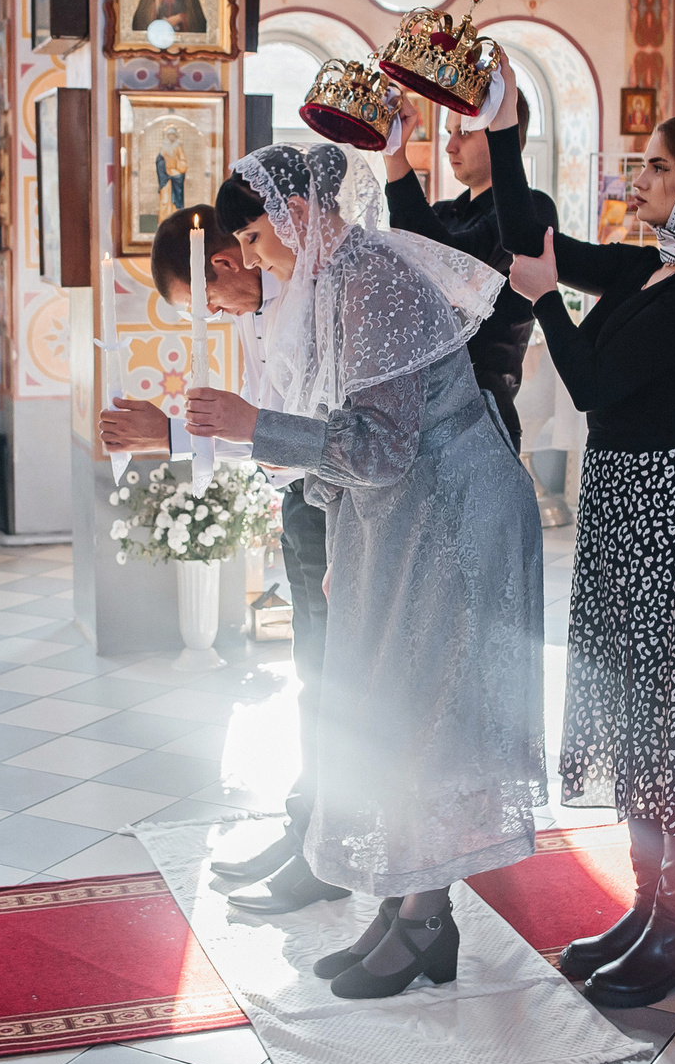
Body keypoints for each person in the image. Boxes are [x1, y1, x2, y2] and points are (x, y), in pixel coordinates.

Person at [186, 144, 544, 999]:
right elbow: (355, 437)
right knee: (393, 709)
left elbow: (377, 445)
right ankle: (408, 907)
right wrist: (344, 552)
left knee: (432, 716)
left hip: (454, 515)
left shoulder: (372, 276)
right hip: (403, 515)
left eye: (255, 230)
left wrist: (250, 422)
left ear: (299, 213)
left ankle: (425, 918)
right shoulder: (332, 280)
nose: (254, 253)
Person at [495, 108, 675, 1007]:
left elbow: (597, 384)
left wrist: (540, 301)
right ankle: (645, 908)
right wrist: (505, 131)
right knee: (633, 715)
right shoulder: (651, 263)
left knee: (671, 721)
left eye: (658, 168)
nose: (636, 179)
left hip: (666, 513)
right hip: (618, 505)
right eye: (639, 164)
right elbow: (537, 236)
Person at [98, 208, 343, 915]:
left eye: (205, 301)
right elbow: (260, 432)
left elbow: (289, 428)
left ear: (228, 264)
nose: (212, 314)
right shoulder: (248, 315)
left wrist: (172, 432)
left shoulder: (307, 304)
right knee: (311, 676)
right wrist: (171, 432)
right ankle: (306, 829)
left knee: (333, 682)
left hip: (334, 500)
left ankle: (326, 847)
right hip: (298, 500)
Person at [383, 79, 559, 447]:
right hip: (423, 415)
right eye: (449, 132)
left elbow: (451, 265)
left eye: (464, 132)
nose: (450, 146)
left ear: (500, 131)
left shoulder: (531, 210)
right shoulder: (444, 213)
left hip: (481, 419)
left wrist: (395, 156)